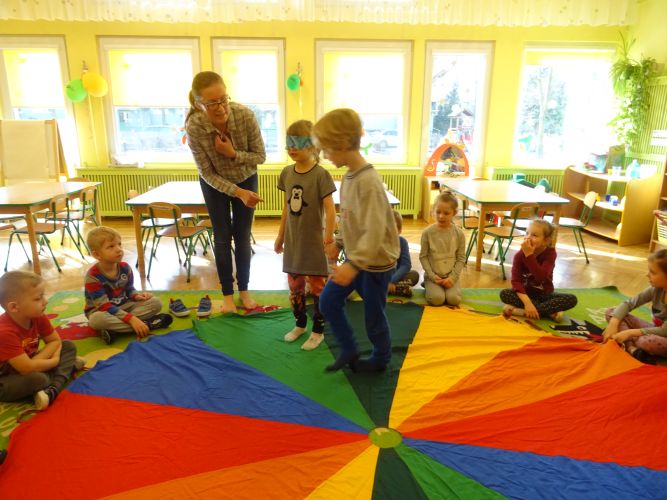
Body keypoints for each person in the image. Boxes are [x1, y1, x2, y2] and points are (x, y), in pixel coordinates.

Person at [314, 109, 400, 373]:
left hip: (375, 264)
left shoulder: (369, 181)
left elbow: (375, 229)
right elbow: (349, 217)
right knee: (327, 301)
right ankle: (349, 348)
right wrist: (339, 242)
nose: (324, 155)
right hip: (356, 259)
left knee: (373, 317)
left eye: (326, 149)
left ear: (341, 144)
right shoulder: (348, 177)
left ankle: (381, 358)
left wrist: (353, 264)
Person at [185, 71, 266, 314]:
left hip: (246, 177)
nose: (220, 108)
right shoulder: (194, 126)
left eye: (223, 99)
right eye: (212, 103)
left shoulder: (245, 115)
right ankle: (228, 295)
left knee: (242, 236)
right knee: (221, 238)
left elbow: (260, 157)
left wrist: (232, 154)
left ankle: (244, 291)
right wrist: (237, 192)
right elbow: (207, 173)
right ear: (199, 104)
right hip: (214, 184)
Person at [274, 120, 336, 351]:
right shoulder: (286, 173)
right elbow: (286, 208)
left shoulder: (321, 175)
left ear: (313, 146)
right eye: (288, 142)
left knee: (318, 287)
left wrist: (328, 238)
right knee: (295, 286)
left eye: (297, 143)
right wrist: (281, 236)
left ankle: (318, 331)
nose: (292, 148)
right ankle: (300, 324)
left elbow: (330, 209)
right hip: (294, 242)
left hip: (314, 242)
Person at [0, 271, 84, 410]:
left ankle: (52, 389)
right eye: (38, 298)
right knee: (39, 379)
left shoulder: (37, 315)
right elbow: (26, 369)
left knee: (68, 345)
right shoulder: (4, 332)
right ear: (14, 307)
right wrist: (55, 361)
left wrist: (36, 362)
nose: (45, 301)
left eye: (43, 295)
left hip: (29, 363)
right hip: (5, 378)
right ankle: (64, 371)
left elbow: (55, 341)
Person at [85, 226, 171, 345]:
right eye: (111, 246)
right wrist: (131, 319)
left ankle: (117, 331)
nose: (119, 249)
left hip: (125, 305)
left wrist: (136, 296)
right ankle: (148, 324)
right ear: (97, 254)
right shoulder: (92, 277)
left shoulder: (125, 268)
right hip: (103, 311)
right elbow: (104, 306)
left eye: (119, 244)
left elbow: (130, 289)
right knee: (96, 321)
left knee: (156, 303)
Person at [500, 219, 577, 321]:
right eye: (527, 233)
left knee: (571, 299)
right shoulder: (519, 255)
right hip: (525, 294)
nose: (528, 237)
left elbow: (541, 278)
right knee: (504, 294)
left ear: (546, 241)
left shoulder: (550, 254)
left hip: (544, 294)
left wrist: (529, 255)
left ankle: (522, 311)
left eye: (534, 235)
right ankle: (547, 312)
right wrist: (528, 303)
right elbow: (516, 281)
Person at [602, 249, 667, 364]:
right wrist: (613, 323)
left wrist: (630, 333)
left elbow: (664, 331)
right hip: (656, 330)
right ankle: (633, 349)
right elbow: (629, 303)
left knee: (646, 342)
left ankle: (629, 344)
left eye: (652, 272)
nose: (647, 275)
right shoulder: (656, 289)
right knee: (612, 312)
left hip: (662, 334)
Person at [420, 192, 466, 306]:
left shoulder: (459, 234)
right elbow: (423, 257)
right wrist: (432, 276)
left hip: (450, 276)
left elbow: (461, 258)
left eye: (446, 213)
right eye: (438, 212)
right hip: (433, 276)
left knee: (454, 300)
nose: (441, 216)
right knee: (437, 299)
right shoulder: (427, 233)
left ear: (454, 213)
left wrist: (453, 278)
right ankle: (427, 283)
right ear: (433, 211)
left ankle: (446, 287)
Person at [388, 210, 419, 298]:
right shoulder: (379, 243)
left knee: (414, 275)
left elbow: (406, 265)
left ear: (399, 231)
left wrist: (392, 280)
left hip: (396, 277)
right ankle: (398, 289)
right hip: (381, 278)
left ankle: (387, 289)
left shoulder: (402, 242)